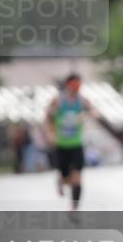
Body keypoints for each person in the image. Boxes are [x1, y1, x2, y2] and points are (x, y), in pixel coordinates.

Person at [45, 73, 105, 211]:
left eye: (79, 85)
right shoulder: (59, 101)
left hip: (76, 145)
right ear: (68, 85)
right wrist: (50, 133)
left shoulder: (82, 100)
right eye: (74, 85)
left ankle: (74, 207)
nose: (77, 88)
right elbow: (48, 117)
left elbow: (94, 110)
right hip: (61, 145)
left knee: (77, 178)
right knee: (67, 179)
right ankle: (61, 180)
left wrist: (91, 114)